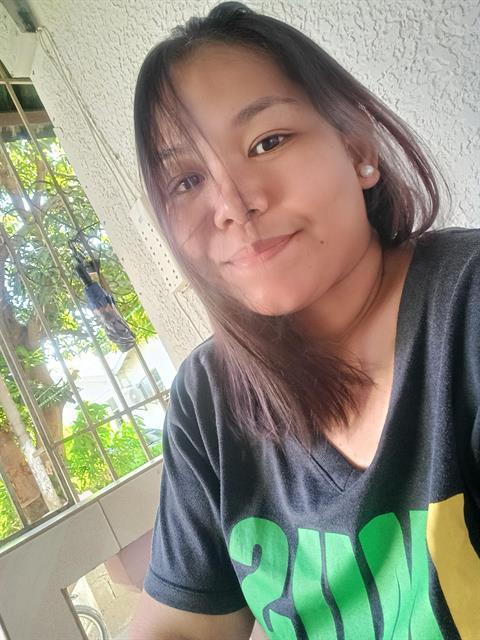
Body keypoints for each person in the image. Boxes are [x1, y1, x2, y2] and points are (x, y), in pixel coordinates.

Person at [130, 2, 480, 638]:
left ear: (358, 149)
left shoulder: (469, 307)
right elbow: (176, 627)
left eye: (268, 142)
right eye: (186, 181)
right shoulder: (207, 399)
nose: (234, 205)